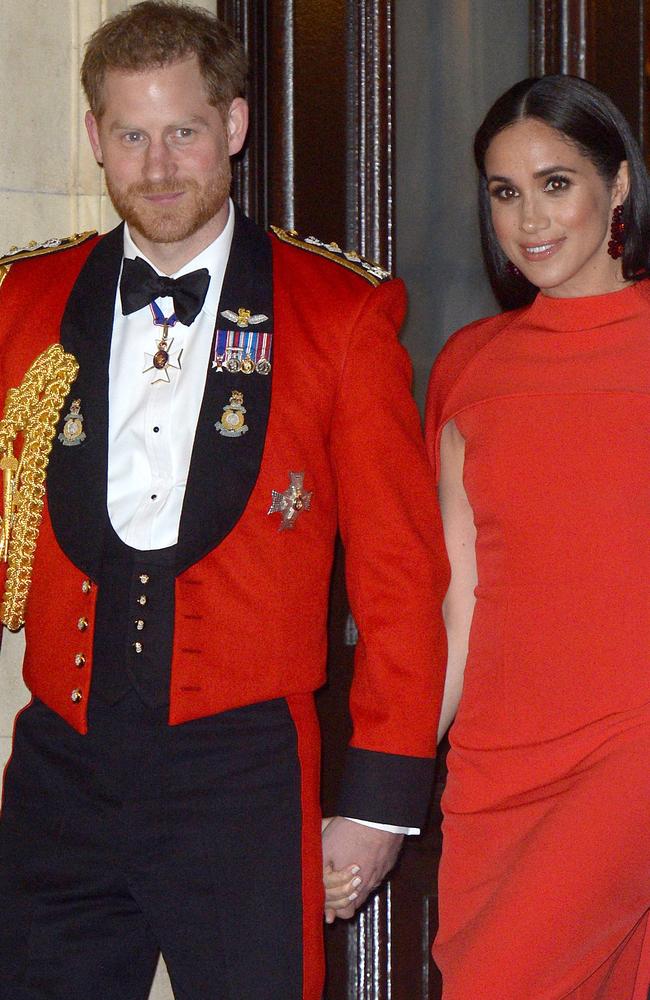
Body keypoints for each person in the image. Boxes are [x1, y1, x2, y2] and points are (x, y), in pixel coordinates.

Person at [0, 3, 449, 999]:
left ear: (234, 128)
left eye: (184, 131)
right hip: (59, 771)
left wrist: (377, 801)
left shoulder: (337, 312)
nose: (158, 165)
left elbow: (397, 575)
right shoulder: (23, 301)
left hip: (241, 775)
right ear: (96, 141)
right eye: (131, 134)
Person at [424, 74, 650, 998]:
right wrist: (387, 783)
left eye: (557, 183)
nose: (529, 219)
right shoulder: (469, 367)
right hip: (498, 765)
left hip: (632, 741)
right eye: (505, 192)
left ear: (620, 185)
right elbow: (458, 603)